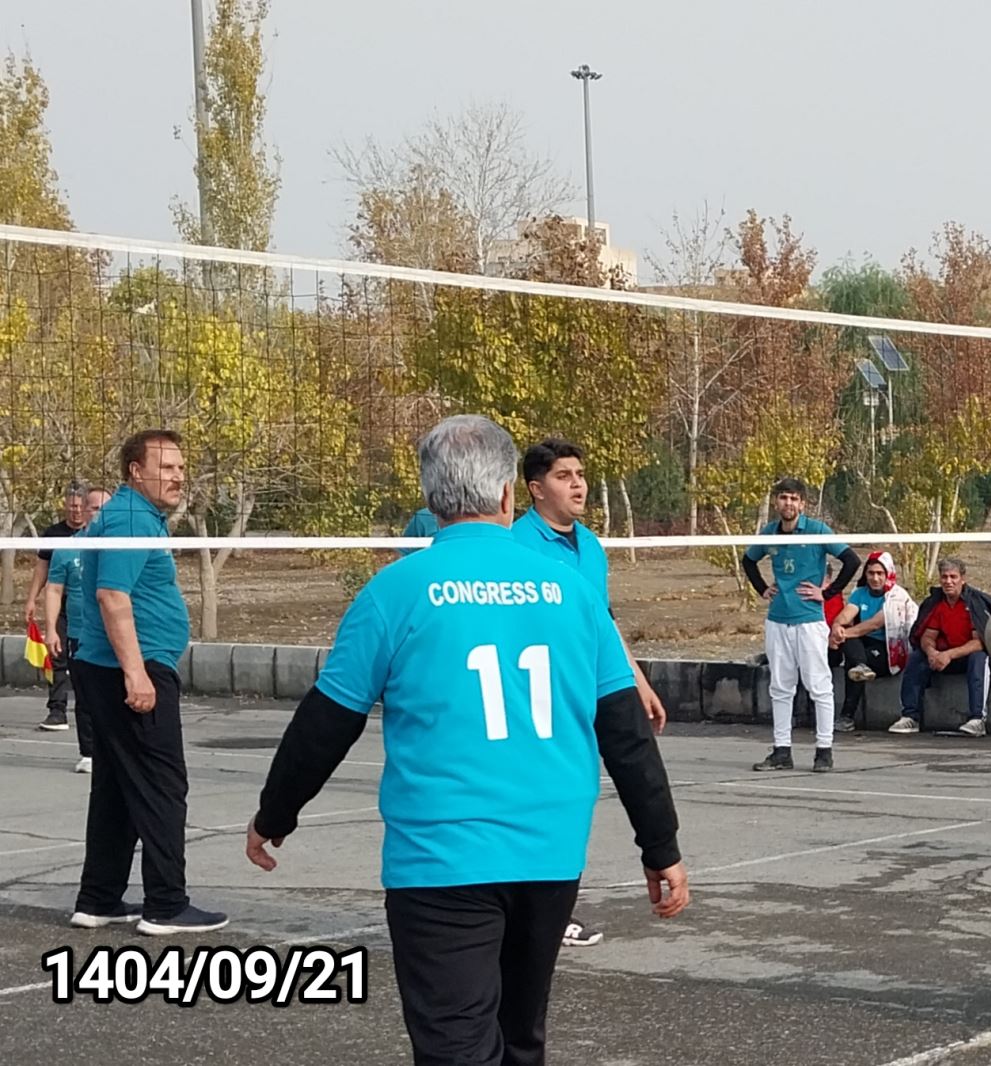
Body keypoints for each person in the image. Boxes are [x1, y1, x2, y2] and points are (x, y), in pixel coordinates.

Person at [246, 415, 688, 1066]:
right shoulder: (572, 591)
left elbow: (326, 722)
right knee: (520, 1038)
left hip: (441, 859)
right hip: (549, 854)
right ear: (509, 493)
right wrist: (660, 845)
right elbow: (625, 733)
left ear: (431, 500)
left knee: (456, 1045)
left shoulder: (396, 591)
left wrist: (275, 815)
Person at [513, 436, 669, 948]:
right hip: (542, 695)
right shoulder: (517, 546)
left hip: (594, 686)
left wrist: (638, 680)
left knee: (580, 796)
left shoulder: (591, 547)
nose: (578, 485)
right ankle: (537, 914)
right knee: (540, 799)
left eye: (580, 475)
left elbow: (603, 621)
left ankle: (549, 909)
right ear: (536, 489)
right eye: (564, 476)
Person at [71, 430, 227, 935]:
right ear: (136, 471)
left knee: (117, 788)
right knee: (163, 785)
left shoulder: (132, 514)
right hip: (129, 668)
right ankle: (166, 904)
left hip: (110, 666)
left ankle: (98, 899)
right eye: (167, 468)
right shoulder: (132, 518)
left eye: (181, 467)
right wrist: (136, 674)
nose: (178, 476)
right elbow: (111, 596)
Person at [743, 478, 861, 772]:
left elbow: (851, 560)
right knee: (780, 687)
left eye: (794, 498)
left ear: (802, 504)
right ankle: (781, 750)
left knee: (819, 685)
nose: (788, 503)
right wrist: (762, 588)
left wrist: (827, 593)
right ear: (776, 502)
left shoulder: (818, 531)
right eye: (784, 497)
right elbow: (748, 561)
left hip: (808, 621)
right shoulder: (770, 533)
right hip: (777, 620)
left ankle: (824, 750)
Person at [889, 557, 991, 737]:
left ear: (963, 579)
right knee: (916, 658)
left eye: (953, 577)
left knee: (979, 658)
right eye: (944, 577)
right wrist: (932, 652)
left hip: (966, 656)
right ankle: (910, 716)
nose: (948, 581)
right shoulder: (936, 603)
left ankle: (978, 719)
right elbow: (927, 636)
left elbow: (980, 642)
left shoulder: (975, 602)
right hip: (942, 657)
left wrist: (949, 655)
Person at [42, 487, 113, 773]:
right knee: (86, 696)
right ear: (83, 511)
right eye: (94, 507)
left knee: (122, 695)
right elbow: (54, 589)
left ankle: (123, 753)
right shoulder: (68, 547)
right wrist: (51, 629)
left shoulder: (127, 543)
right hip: (81, 634)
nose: (99, 513)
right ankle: (90, 753)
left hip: (120, 632)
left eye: (104, 508)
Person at [29, 480, 94, 731]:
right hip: (62, 603)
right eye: (71, 506)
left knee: (88, 659)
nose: (75, 511)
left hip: (91, 604)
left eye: (79, 506)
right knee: (57, 654)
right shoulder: (54, 534)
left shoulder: (99, 534)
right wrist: (31, 599)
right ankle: (57, 710)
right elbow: (42, 568)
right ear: (65, 506)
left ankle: (95, 710)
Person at [828, 551, 918, 734]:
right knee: (853, 660)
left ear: (888, 574)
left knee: (852, 657)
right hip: (862, 648)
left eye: (880, 573)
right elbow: (846, 614)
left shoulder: (896, 596)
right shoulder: (860, 593)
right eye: (871, 573)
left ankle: (847, 716)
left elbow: (873, 624)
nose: (875, 578)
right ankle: (859, 667)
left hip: (888, 651)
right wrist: (837, 626)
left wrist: (842, 634)